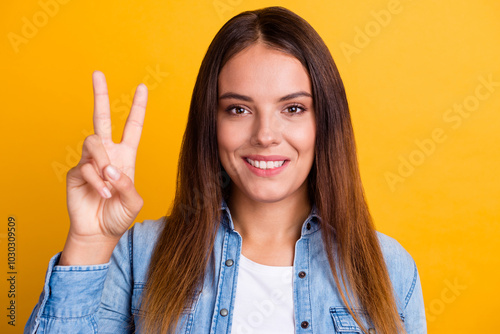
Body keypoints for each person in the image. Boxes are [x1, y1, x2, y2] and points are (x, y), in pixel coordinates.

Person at [25, 6, 426, 334]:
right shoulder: (138, 254)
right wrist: (89, 242)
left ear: (325, 122)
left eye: (293, 108)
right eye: (239, 109)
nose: (265, 135)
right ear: (211, 123)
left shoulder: (389, 269)